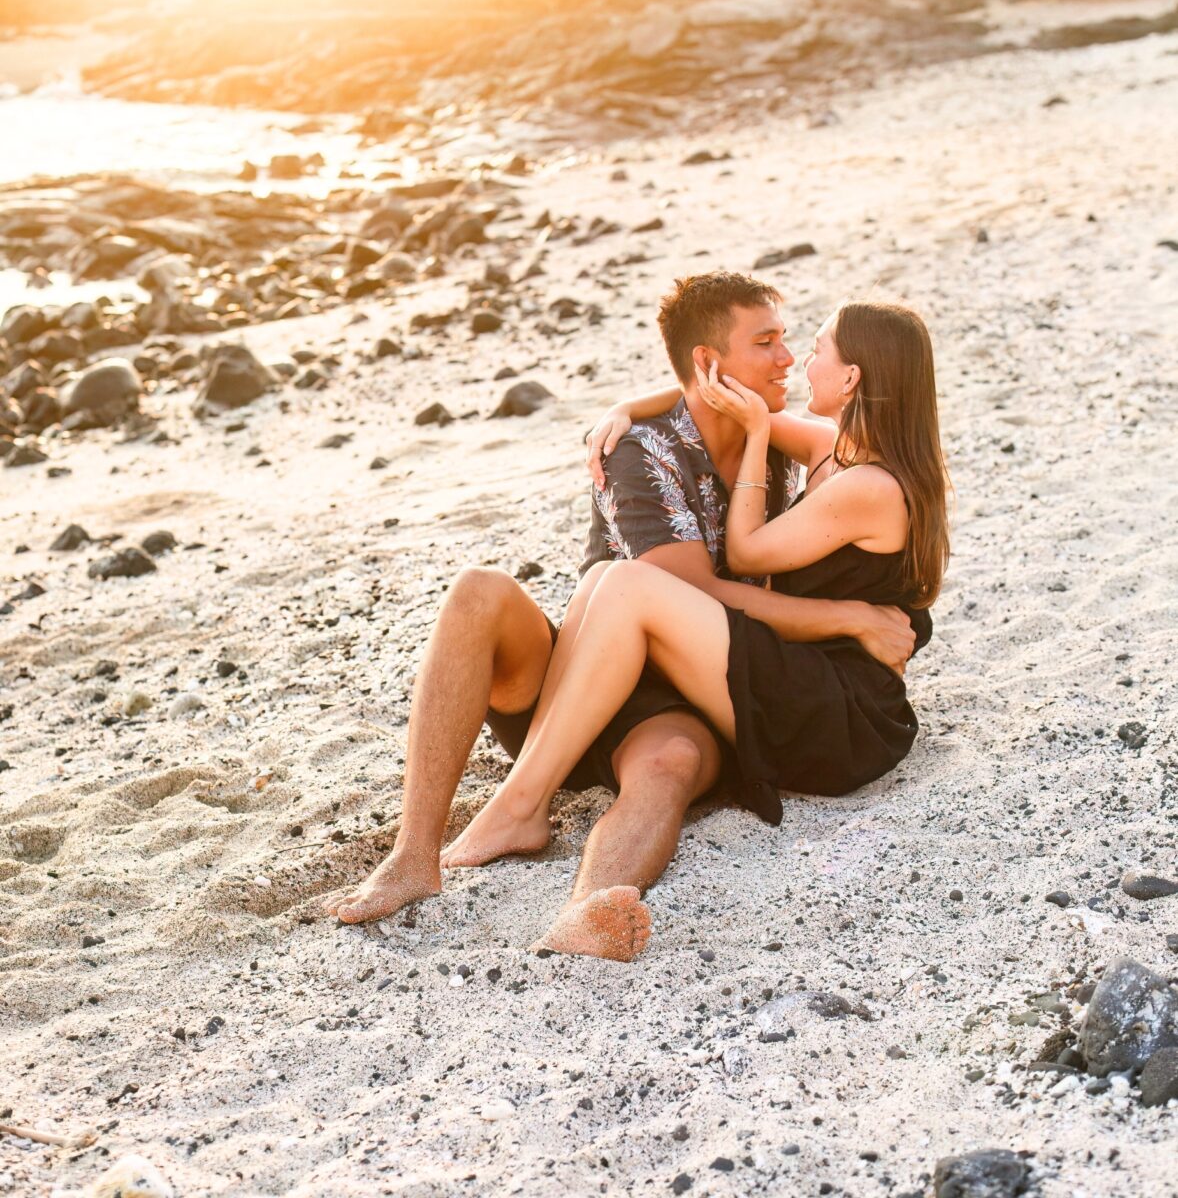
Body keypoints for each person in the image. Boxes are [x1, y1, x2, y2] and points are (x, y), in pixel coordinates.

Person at [322, 275, 918, 959]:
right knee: (479, 590)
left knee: (670, 761)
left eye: (790, 342)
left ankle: (588, 907)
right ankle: (414, 854)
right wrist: (845, 616)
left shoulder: (782, 442)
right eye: (767, 342)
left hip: (695, 696)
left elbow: (769, 446)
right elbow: (693, 587)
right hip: (579, 681)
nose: (786, 358)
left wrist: (640, 396)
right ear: (709, 363)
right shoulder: (642, 450)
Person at [433, 299, 949, 901]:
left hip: (839, 716)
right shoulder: (835, 447)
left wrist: (757, 438)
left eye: (815, 351)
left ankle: (521, 805)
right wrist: (625, 409)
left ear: (852, 376)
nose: (798, 362)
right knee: (605, 577)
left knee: (625, 583)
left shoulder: (867, 485)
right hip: (801, 676)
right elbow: (710, 397)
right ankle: (527, 794)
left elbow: (750, 554)